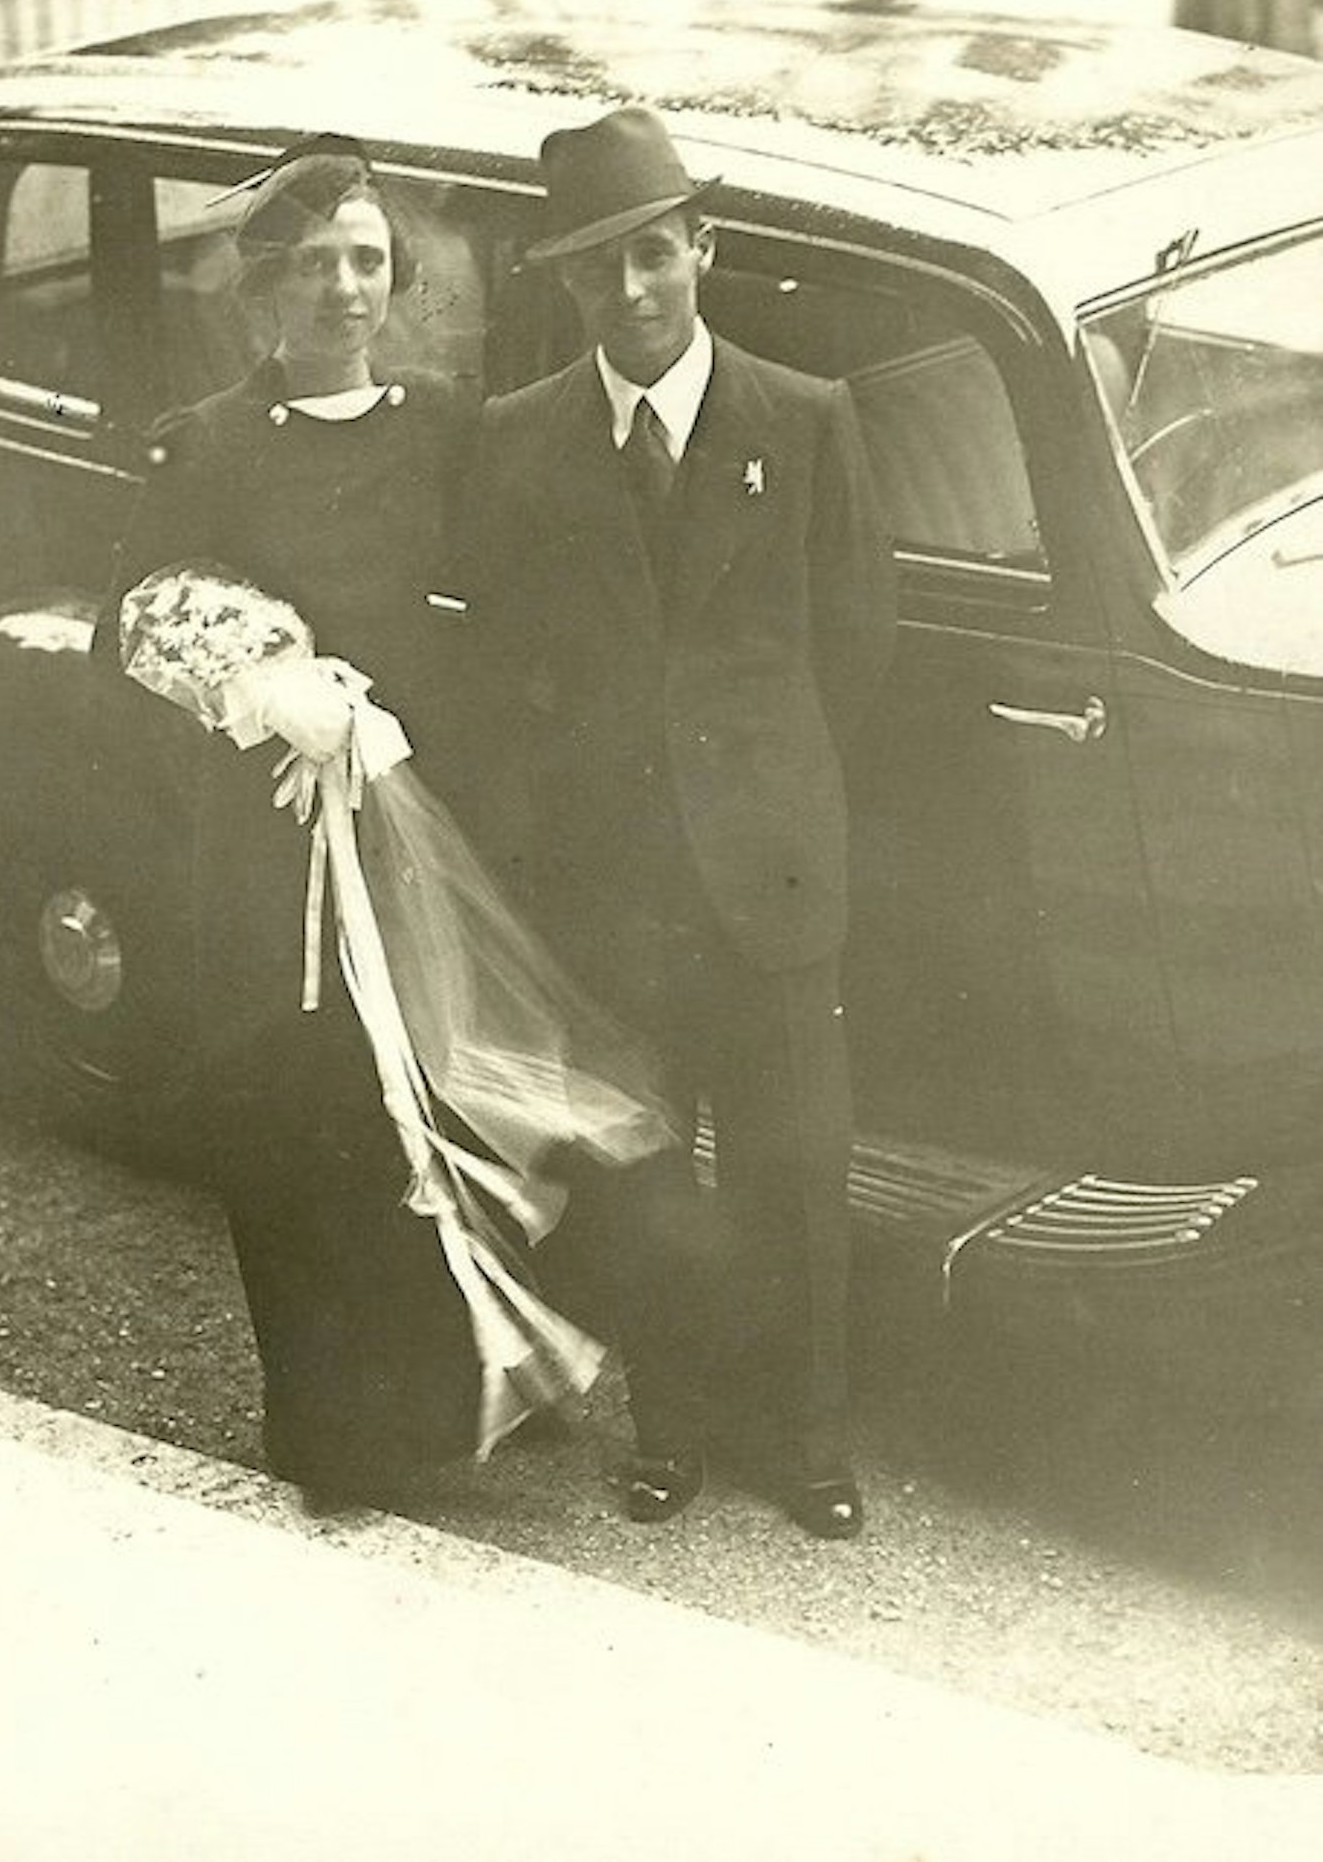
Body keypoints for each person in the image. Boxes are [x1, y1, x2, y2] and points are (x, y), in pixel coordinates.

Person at [93, 137, 660, 1508]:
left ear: (397, 279)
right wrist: (259, 679)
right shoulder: (212, 443)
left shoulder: (446, 428)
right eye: (311, 267)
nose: (343, 289)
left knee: (429, 1116)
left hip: (421, 834)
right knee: (290, 1128)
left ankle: (449, 1406)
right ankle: (329, 1437)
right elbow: (137, 618)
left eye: (365, 261)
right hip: (265, 851)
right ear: (265, 293)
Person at [465, 106, 896, 1538]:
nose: (634, 290)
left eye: (654, 253)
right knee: (646, 1179)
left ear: (702, 248)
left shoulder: (806, 418)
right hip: (620, 890)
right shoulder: (522, 443)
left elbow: (854, 651)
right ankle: (676, 1428)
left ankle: (812, 1443)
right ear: (568, 289)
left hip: (770, 875)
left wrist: (778, 809)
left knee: (794, 1166)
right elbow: (515, 668)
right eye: (599, 271)